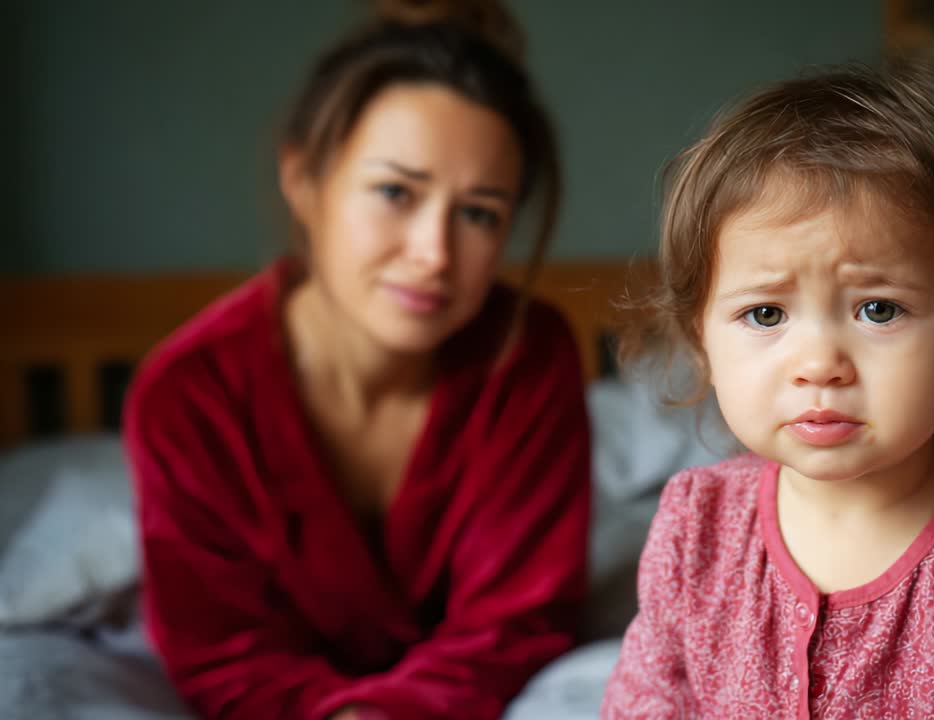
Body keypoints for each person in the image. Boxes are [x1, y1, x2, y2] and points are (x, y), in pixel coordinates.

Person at [601, 64, 934, 718]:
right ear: (701, 347)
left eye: (879, 310)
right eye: (767, 314)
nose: (820, 365)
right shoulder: (696, 526)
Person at [123, 2, 591, 719]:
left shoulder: (527, 359)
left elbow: (517, 622)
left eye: (478, 213)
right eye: (395, 193)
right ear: (304, 179)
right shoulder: (190, 394)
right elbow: (221, 652)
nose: (434, 254)